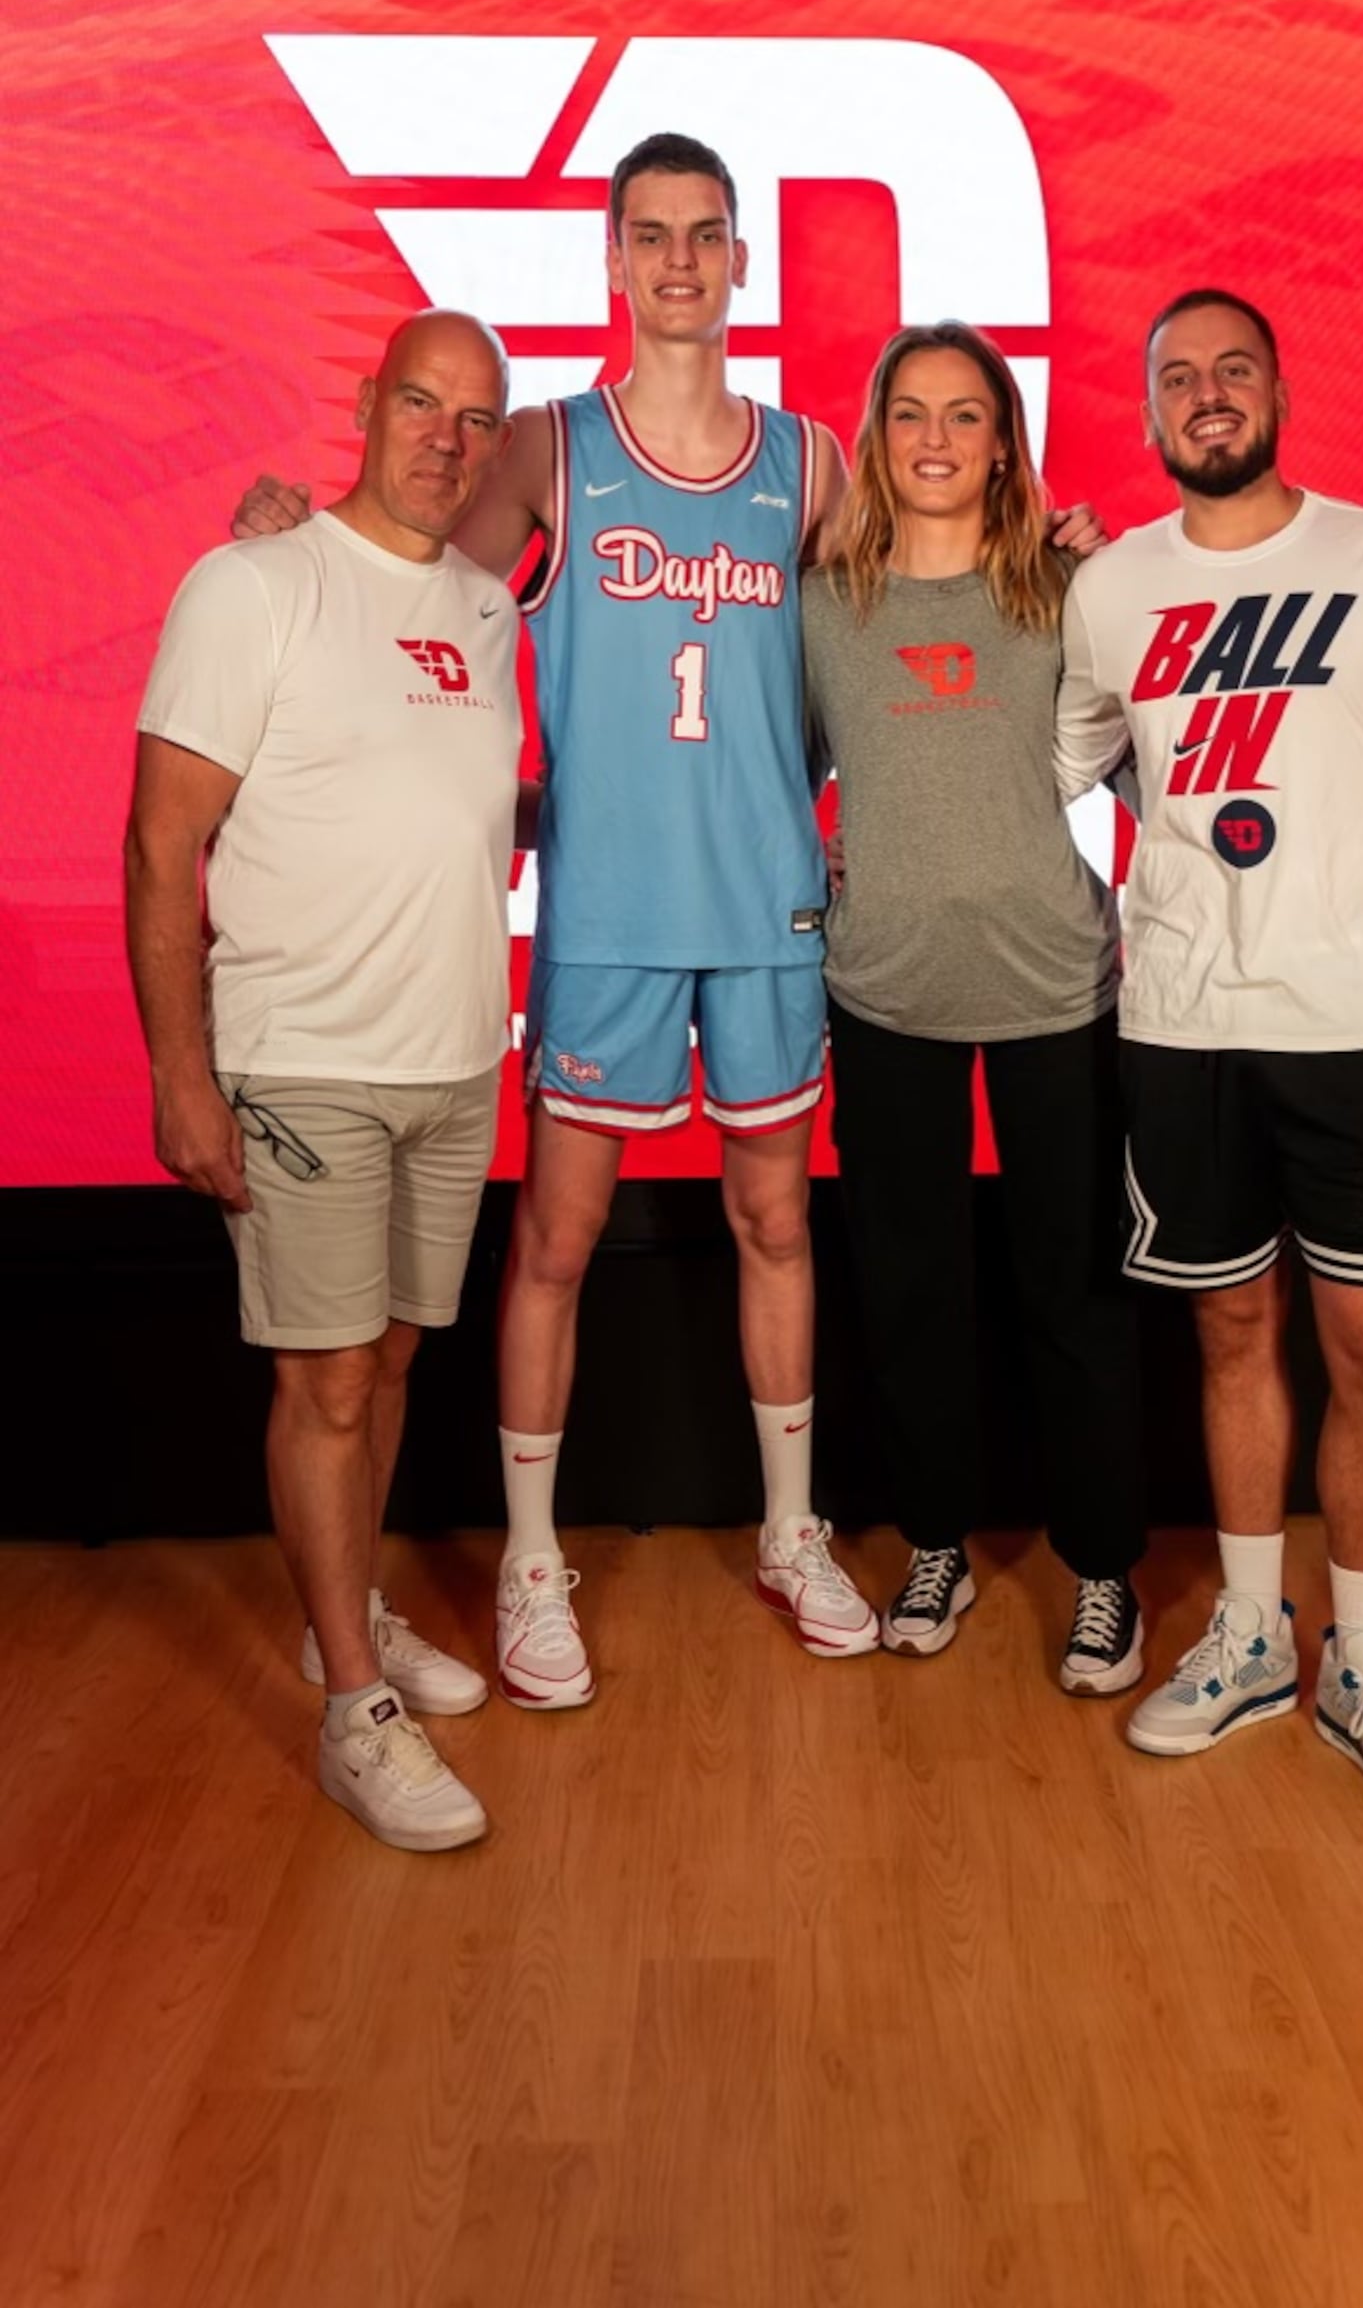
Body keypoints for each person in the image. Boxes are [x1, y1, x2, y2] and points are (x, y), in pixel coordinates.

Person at [234, 134, 882, 1690]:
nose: (678, 261)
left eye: (705, 235)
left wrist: (1044, 550)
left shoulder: (808, 460)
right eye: (649, 234)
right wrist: (301, 540)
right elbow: (415, 597)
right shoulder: (550, 446)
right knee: (559, 1236)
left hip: (767, 904)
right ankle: (532, 1561)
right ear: (609, 257)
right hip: (603, 905)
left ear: (741, 262)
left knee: (777, 1219)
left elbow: (905, 625)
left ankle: (793, 1529)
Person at [1055, 288, 1363, 1816]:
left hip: (1355, 1025)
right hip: (1182, 1023)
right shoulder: (1112, 589)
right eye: (1176, 379)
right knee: (1231, 1331)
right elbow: (1057, 761)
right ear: (1149, 416)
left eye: (1231, 370)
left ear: (1279, 390)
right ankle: (1253, 1633)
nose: (1206, 397)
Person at [127, 310, 523, 1851]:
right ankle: (357, 1702)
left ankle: (335, 1608)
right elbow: (164, 843)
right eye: (421, 404)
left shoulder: (492, 610)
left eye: (477, 420)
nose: (447, 437)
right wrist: (182, 1074)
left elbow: (442, 813)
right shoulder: (254, 581)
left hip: (451, 1060)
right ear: (366, 406)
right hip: (302, 1055)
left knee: (398, 1361)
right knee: (328, 1377)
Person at [805, 322, 1147, 1685]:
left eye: (965, 414)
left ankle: (1105, 1567)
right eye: (910, 415)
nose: (937, 438)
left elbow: (1143, 756)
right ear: (879, 435)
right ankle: (935, 1540)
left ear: (1006, 438)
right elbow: (772, 773)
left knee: (1072, 1286)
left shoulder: (1069, 585)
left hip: (1054, 982)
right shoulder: (824, 600)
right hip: (883, 987)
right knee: (912, 1289)